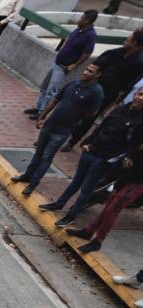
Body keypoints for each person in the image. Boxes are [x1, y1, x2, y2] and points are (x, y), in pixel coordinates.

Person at [41, 88, 143, 226]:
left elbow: (130, 145)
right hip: (91, 151)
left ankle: (71, 215)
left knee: (87, 189)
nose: (139, 98)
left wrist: (111, 158)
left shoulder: (139, 122)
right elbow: (101, 127)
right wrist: (86, 143)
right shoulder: (119, 110)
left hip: (104, 159)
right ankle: (59, 204)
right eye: (139, 94)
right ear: (135, 94)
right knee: (76, 182)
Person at [12, 63, 104, 196]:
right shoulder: (72, 84)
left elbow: (91, 113)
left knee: (46, 157)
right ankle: (27, 175)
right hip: (50, 124)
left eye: (90, 71)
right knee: (38, 152)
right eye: (86, 69)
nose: (85, 72)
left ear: (98, 75)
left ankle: (33, 184)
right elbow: (55, 100)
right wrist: (42, 115)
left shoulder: (96, 92)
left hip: (63, 130)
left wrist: (76, 115)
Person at [65, 128, 143, 254]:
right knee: (109, 205)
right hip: (127, 174)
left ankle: (98, 241)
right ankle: (89, 231)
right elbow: (133, 143)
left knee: (113, 209)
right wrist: (128, 157)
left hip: (137, 180)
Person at [65, 29, 143, 149]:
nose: (126, 39)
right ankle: (60, 133)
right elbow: (96, 66)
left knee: (90, 118)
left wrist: (115, 102)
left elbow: (129, 86)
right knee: (73, 110)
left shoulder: (138, 64)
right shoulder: (113, 53)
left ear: (136, 45)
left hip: (108, 94)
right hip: (92, 87)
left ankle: (73, 141)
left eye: (130, 38)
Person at [24, 10, 97, 119]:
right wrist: (63, 48)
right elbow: (69, 38)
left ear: (87, 20)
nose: (79, 19)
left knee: (51, 91)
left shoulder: (90, 35)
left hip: (64, 66)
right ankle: (38, 107)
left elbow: (87, 53)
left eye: (82, 18)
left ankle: (42, 112)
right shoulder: (79, 30)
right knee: (44, 87)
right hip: (57, 63)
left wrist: (74, 65)